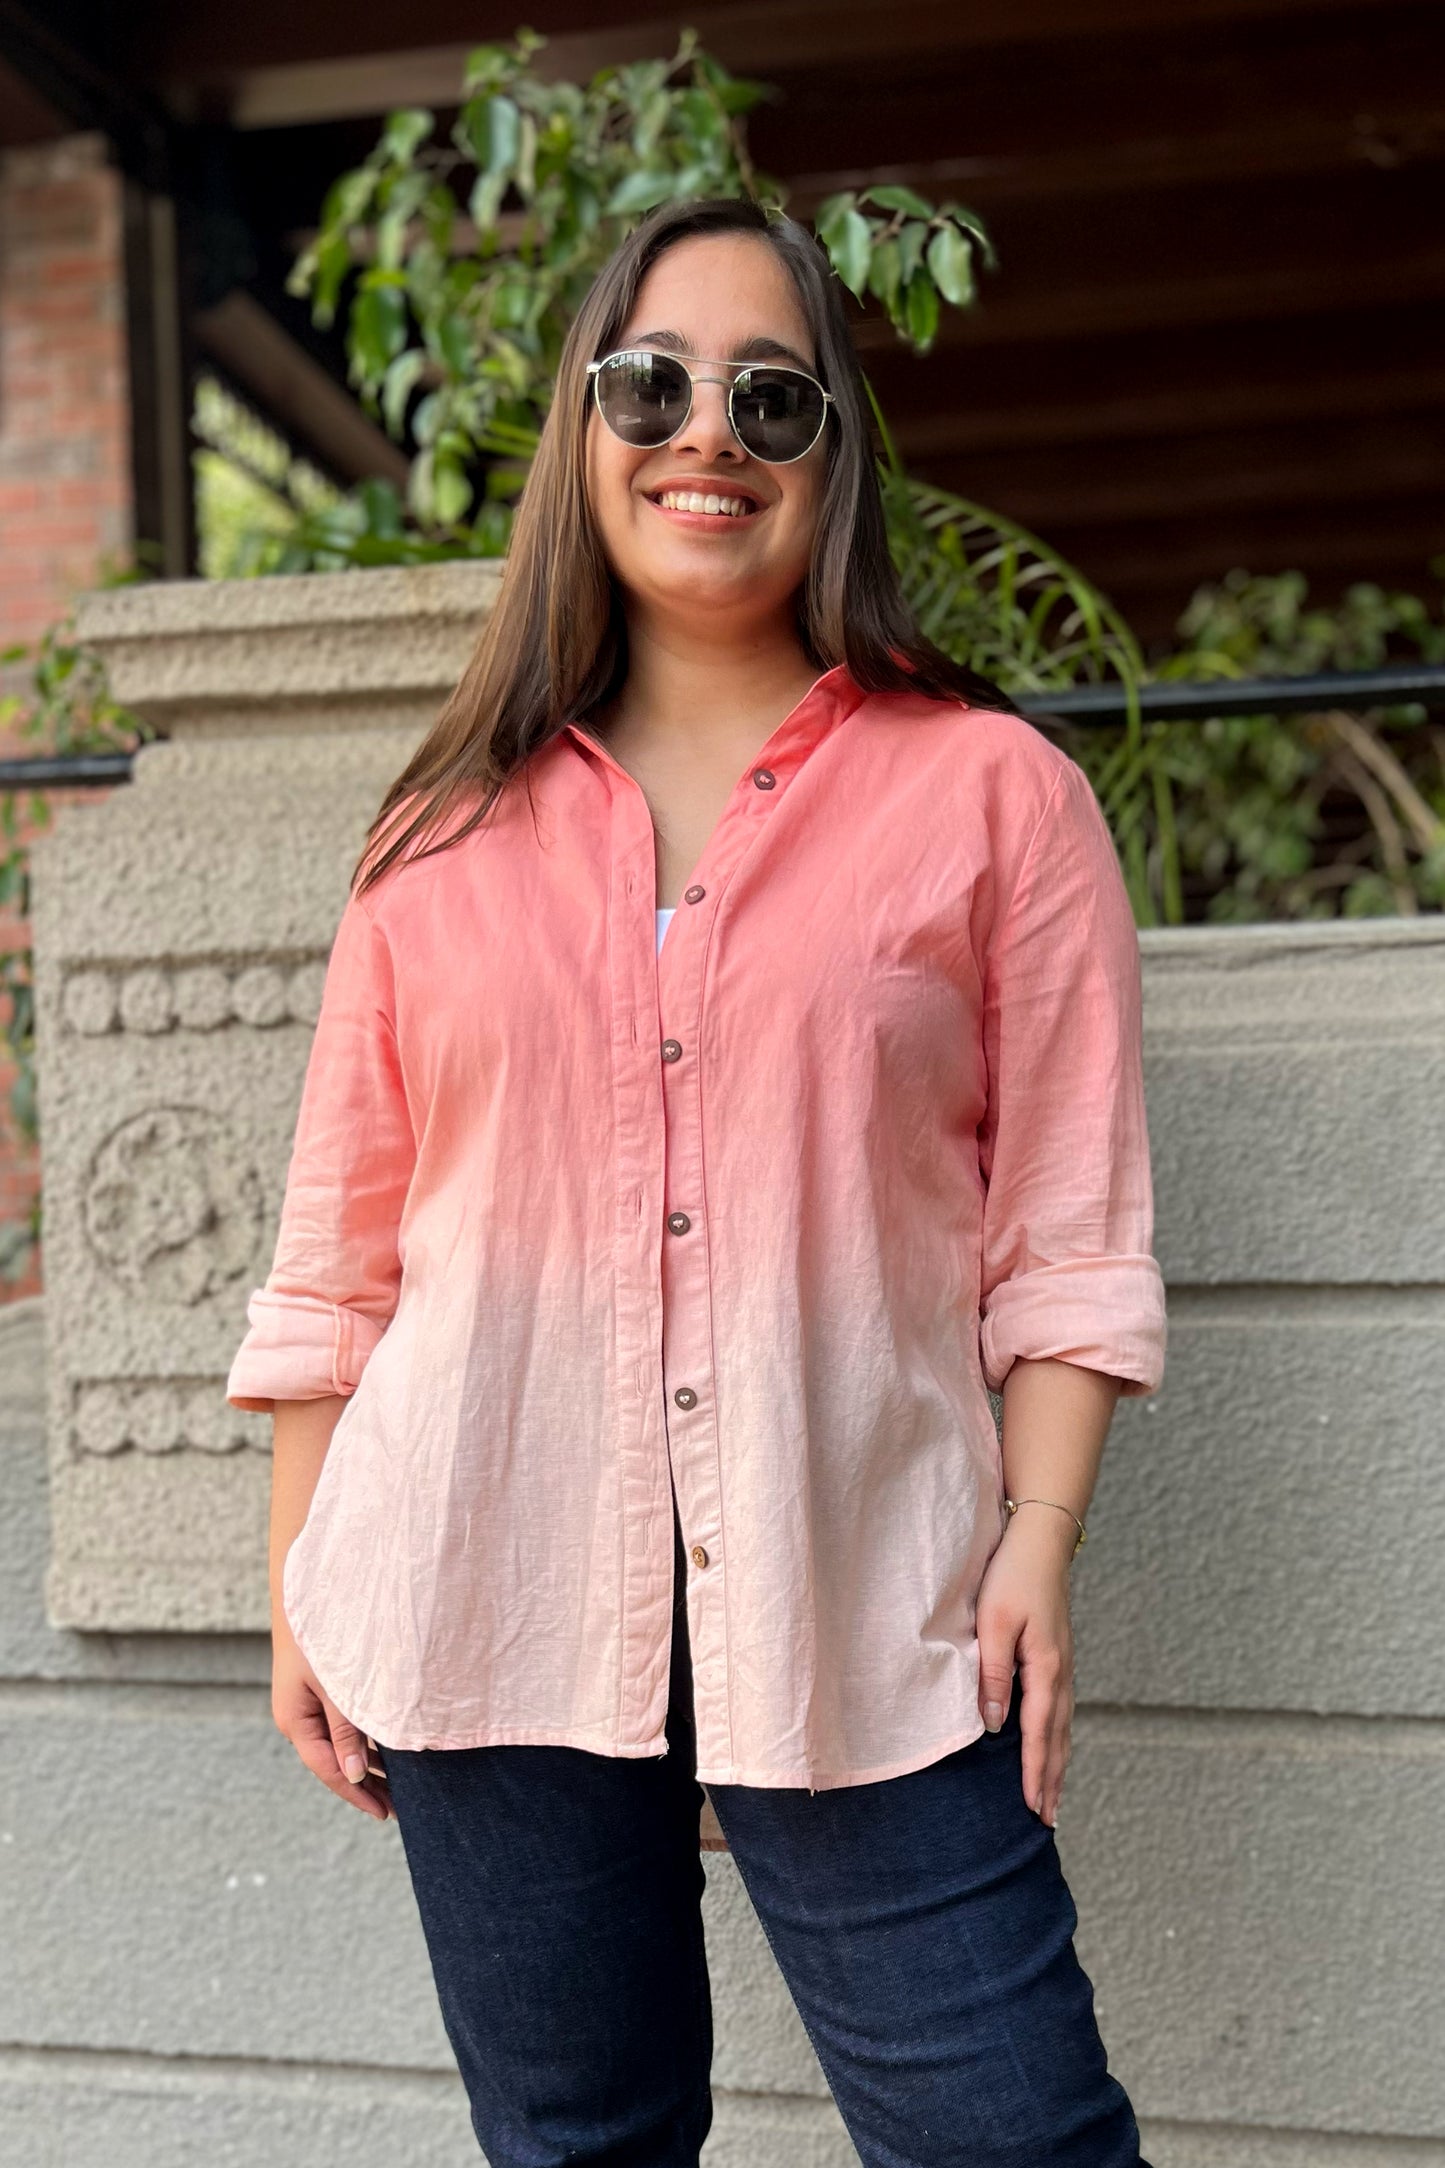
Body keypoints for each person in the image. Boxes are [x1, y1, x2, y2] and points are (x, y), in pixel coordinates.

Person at [227, 195, 1166, 2168]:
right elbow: (343, 1255)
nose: (705, 432)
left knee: (1018, 2140)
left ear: (832, 452)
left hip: (879, 1599)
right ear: (584, 434)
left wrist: (1039, 1536)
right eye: (651, 383)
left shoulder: (994, 796)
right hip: (481, 1582)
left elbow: (1066, 1230)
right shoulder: (439, 835)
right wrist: (304, 1574)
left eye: (771, 394)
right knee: (581, 2151)